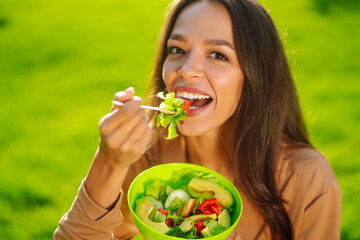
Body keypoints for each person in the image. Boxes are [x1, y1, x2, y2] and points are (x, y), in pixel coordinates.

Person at [54, 0, 341, 239]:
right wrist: (109, 162)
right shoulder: (147, 151)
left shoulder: (308, 179)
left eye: (218, 54)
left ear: (256, 77)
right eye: (177, 50)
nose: (186, 70)